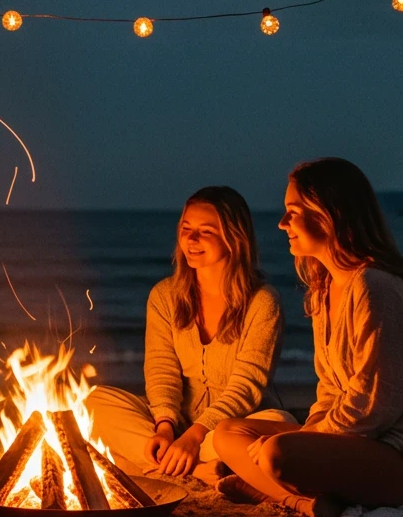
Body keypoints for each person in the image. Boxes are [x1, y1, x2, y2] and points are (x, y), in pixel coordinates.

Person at [213, 157, 403, 517]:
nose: (282, 224)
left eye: (293, 212)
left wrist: (306, 443)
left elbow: (376, 406)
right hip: (358, 439)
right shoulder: (324, 288)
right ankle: (298, 501)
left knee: (278, 454)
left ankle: (272, 489)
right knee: (228, 433)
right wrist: (313, 437)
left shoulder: (375, 287)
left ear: (329, 214)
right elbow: (330, 391)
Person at [85, 186, 289, 479]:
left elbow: (246, 387)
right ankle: (196, 469)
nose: (191, 239)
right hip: (177, 426)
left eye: (205, 231)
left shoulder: (262, 302)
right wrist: (165, 427)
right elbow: (161, 369)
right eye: (186, 228)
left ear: (234, 237)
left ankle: (161, 463)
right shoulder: (165, 296)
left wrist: (195, 438)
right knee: (94, 401)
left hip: (234, 426)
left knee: (278, 421)